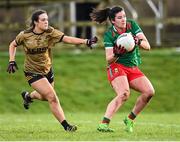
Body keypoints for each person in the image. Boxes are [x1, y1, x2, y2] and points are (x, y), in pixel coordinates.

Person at [7, 9, 98, 132]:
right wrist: (11, 61)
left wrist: (85, 41)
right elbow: (12, 45)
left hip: (47, 69)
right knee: (52, 97)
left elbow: (67, 39)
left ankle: (28, 96)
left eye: (47, 19)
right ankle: (67, 126)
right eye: (43, 20)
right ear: (35, 22)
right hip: (32, 72)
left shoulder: (50, 32)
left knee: (45, 97)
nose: (46, 22)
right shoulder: (24, 35)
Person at [90, 6, 155, 132]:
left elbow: (147, 46)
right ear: (113, 21)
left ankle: (129, 119)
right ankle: (103, 124)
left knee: (149, 92)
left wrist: (138, 41)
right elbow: (109, 59)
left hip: (132, 67)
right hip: (116, 66)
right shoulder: (109, 34)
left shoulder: (132, 25)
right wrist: (117, 54)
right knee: (124, 93)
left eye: (124, 16)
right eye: (120, 18)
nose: (123, 19)